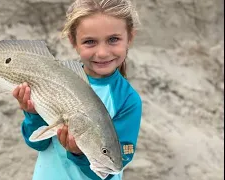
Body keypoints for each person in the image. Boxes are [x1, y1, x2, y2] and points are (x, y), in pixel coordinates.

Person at [12, 0, 142, 179]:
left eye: (113, 39)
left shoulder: (127, 100)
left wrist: (79, 153)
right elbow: (38, 144)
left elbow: (111, 170)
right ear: (73, 41)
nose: (102, 52)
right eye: (90, 42)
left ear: (130, 37)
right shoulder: (56, 79)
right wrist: (32, 113)